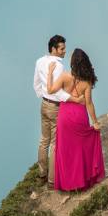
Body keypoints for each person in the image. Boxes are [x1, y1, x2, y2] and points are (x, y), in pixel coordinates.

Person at [53, 48, 105, 192]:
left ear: (72, 63)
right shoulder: (86, 82)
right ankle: (82, 183)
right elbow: (89, 103)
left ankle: (67, 185)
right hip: (79, 117)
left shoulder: (64, 76)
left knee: (65, 151)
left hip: (64, 116)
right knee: (80, 150)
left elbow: (53, 91)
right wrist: (95, 122)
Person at [33, 34, 70, 184]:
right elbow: (58, 90)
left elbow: (36, 83)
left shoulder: (40, 61)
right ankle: (52, 180)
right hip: (55, 107)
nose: (64, 51)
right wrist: (71, 99)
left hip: (44, 104)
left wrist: (43, 96)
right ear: (53, 49)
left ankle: (42, 174)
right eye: (62, 48)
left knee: (43, 141)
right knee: (55, 143)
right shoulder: (59, 65)